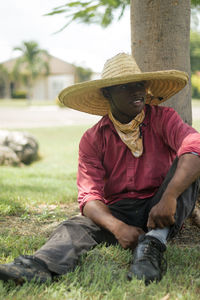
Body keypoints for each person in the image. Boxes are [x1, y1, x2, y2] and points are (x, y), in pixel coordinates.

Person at [0, 53, 200, 286]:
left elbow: (195, 146)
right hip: (118, 211)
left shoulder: (163, 118)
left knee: (189, 159)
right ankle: (39, 266)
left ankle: (151, 246)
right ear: (108, 93)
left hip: (161, 207)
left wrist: (170, 197)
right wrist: (118, 228)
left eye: (140, 85)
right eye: (126, 86)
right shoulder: (93, 138)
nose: (137, 91)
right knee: (74, 226)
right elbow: (89, 196)